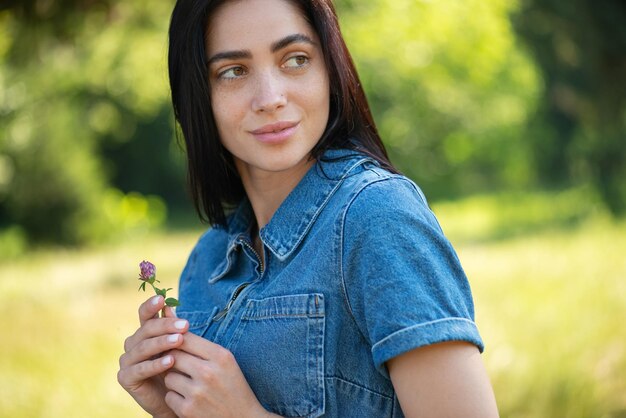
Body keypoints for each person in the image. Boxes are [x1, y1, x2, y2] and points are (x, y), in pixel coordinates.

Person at [117, 0, 500, 417]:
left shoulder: (377, 218)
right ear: (197, 96)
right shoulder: (207, 260)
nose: (270, 98)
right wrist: (171, 410)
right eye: (233, 71)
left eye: (295, 59)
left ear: (330, 70)